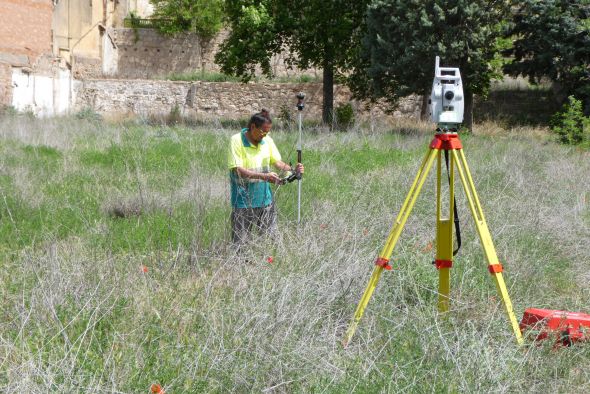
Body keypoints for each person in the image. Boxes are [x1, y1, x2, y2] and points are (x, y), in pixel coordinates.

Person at [227, 112, 304, 244]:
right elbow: (237, 169)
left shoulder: (267, 140)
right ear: (253, 127)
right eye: (262, 132)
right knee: (240, 242)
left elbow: (278, 163)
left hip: (265, 200)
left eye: (267, 132)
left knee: (270, 240)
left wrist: (293, 170)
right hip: (242, 201)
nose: (265, 135)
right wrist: (265, 176)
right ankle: (241, 264)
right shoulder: (236, 140)